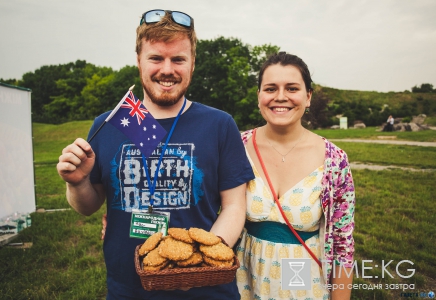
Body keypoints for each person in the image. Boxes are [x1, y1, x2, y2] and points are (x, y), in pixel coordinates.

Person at [57, 9, 254, 300]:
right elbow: (88, 206)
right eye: (156, 58)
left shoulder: (219, 124)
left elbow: (235, 206)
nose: (167, 69)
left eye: (178, 59)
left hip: (206, 289)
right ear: (139, 61)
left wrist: (198, 263)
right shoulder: (110, 124)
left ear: (192, 63)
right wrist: (76, 183)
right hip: (129, 287)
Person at [235, 52, 355, 300]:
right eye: (270, 88)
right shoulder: (236, 146)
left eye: (292, 88)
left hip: (302, 281)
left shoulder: (334, 160)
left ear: (308, 96)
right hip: (243, 279)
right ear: (259, 95)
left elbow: (343, 246)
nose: (280, 97)